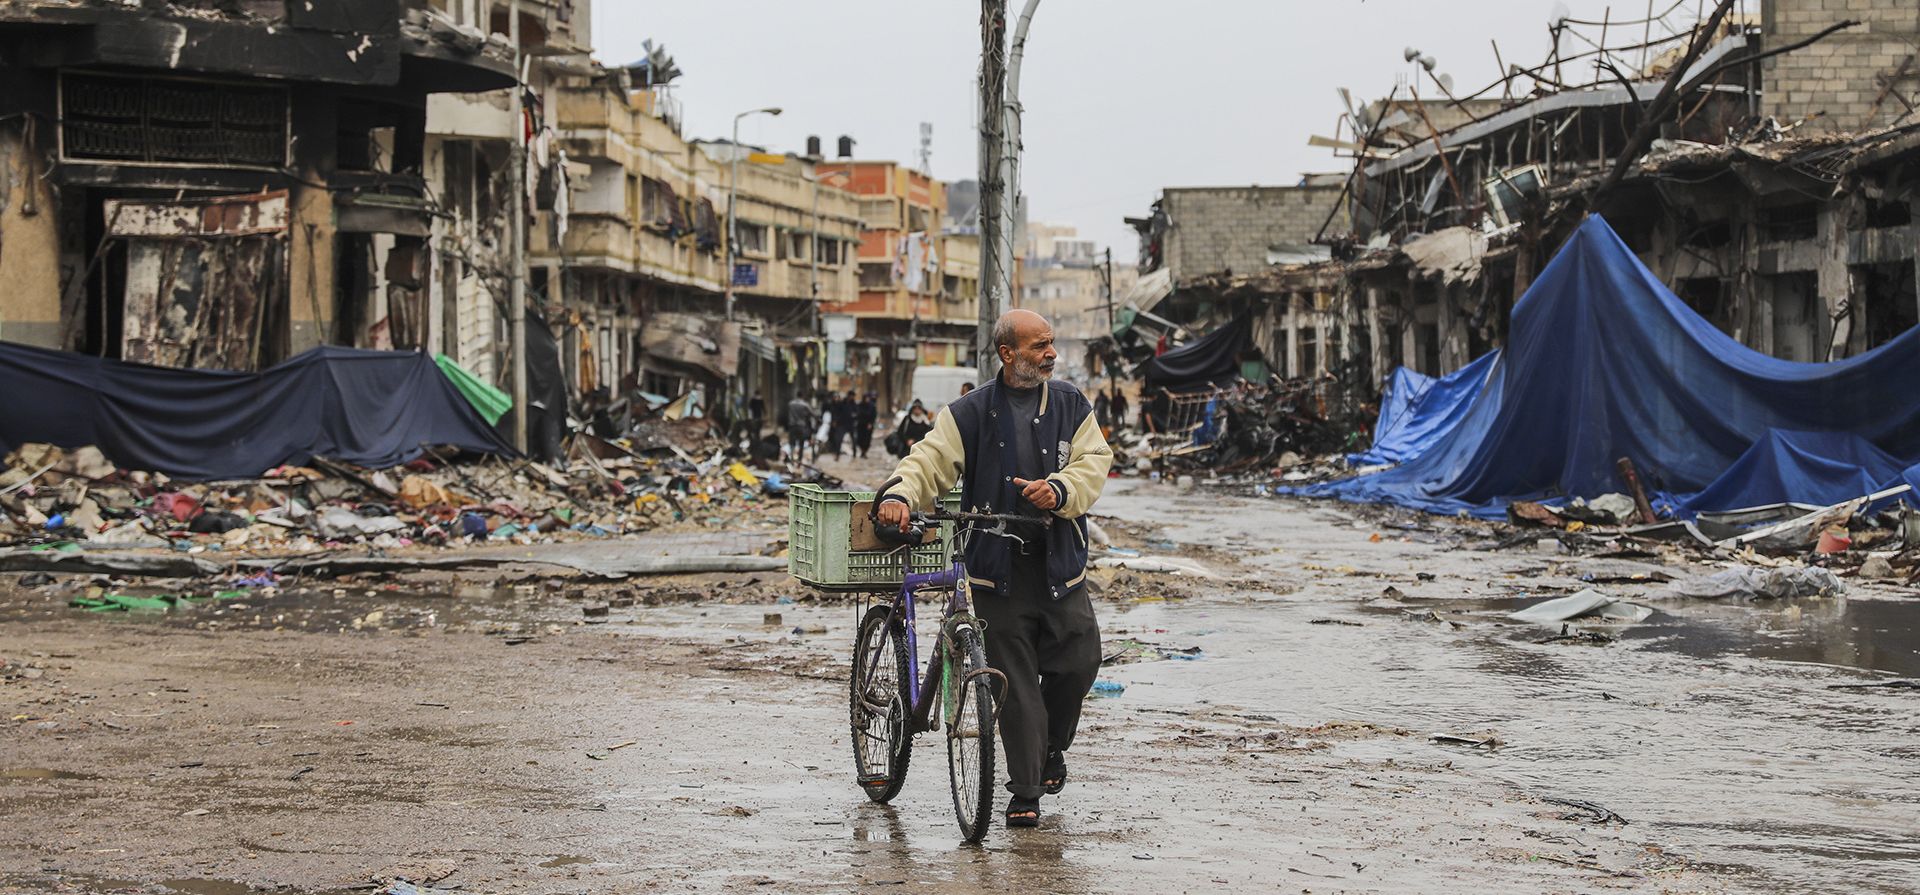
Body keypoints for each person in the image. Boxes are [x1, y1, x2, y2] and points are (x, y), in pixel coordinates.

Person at [876, 309, 1113, 829]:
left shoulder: (1071, 403)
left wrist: (1059, 490)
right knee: (1016, 682)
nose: (1051, 353)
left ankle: (1052, 749)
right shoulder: (970, 412)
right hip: (995, 571)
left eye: (1051, 344)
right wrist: (898, 494)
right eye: (1039, 346)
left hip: (1060, 564)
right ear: (1008, 354)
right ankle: (1025, 790)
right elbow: (927, 462)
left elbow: (1094, 462)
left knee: (1079, 660)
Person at [784, 392, 816, 463]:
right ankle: (799, 459)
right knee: (801, 443)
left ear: (796, 395)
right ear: (803, 396)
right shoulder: (805, 405)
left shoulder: (790, 403)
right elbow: (812, 414)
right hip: (801, 426)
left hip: (792, 426)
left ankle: (792, 459)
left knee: (792, 443)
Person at [853, 392, 879, 459]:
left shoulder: (872, 406)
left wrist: (871, 423)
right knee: (860, 439)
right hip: (860, 425)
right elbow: (857, 414)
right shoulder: (860, 405)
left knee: (867, 440)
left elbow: (874, 415)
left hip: (868, 426)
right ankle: (862, 451)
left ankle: (864, 452)